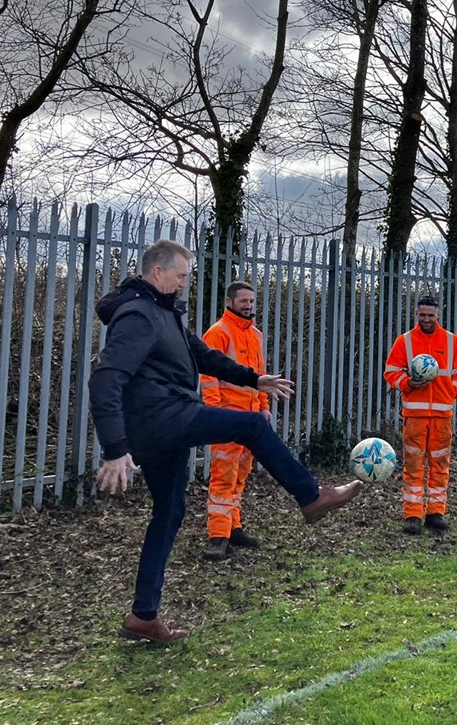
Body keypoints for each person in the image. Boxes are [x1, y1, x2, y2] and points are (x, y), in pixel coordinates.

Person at [90, 240, 365, 644]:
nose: (185, 283)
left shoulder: (163, 313)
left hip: (162, 423)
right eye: (181, 275)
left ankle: (142, 616)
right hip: (163, 417)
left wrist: (255, 380)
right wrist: (114, 449)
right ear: (157, 273)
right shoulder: (138, 315)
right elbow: (106, 377)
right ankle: (310, 497)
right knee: (252, 425)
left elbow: (205, 358)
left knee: (168, 513)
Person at [384, 295, 457, 535]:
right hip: (415, 416)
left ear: (438, 315)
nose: (427, 319)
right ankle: (412, 514)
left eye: (430, 315)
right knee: (413, 465)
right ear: (416, 314)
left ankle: (435, 513)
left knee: (440, 465)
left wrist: (453, 392)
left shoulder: (452, 341)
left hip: (442, 416)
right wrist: (408, 383)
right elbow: (391, 372)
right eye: (422, 315)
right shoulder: (405, 341)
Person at [201, 281, 269, 561]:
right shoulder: (217, 333)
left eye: (252, 301)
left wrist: (263, 406)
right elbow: (208, 378)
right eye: (244, 301)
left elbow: (260, 375)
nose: (249, 306)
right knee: (223, 477)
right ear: (229, 302)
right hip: (228, 418)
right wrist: (214, 413)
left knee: (240, 476)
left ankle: (233, 527)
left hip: (251, 417)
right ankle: (218, 536)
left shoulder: (255, 334)